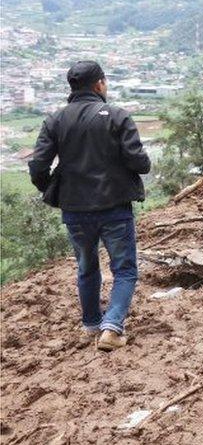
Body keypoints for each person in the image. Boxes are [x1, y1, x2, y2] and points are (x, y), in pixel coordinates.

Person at [28, 61, 151, 351]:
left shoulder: (55, 120)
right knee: (125, 270)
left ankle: (91, 324)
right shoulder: (117, 116)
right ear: (99, 85)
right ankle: (112, 327)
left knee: (86, 268)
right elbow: (138, 162)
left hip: (75, 210)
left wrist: (53, 189)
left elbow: (38, 166)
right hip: (115, 207)